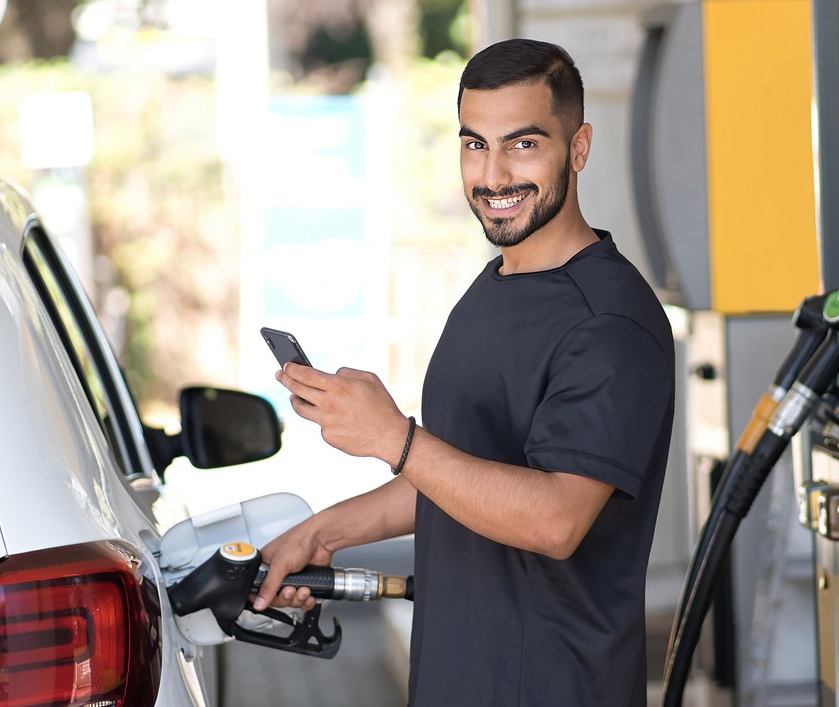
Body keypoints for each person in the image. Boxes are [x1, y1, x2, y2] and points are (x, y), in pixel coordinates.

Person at [254, 38, 675, 706]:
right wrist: (323, 531)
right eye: (475, 144)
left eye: (523, 144)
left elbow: (555, 519)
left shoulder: (610, 324)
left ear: (580, 148)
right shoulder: (494, 286)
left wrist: (395, 439)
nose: (494, 173)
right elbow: (461, 480)